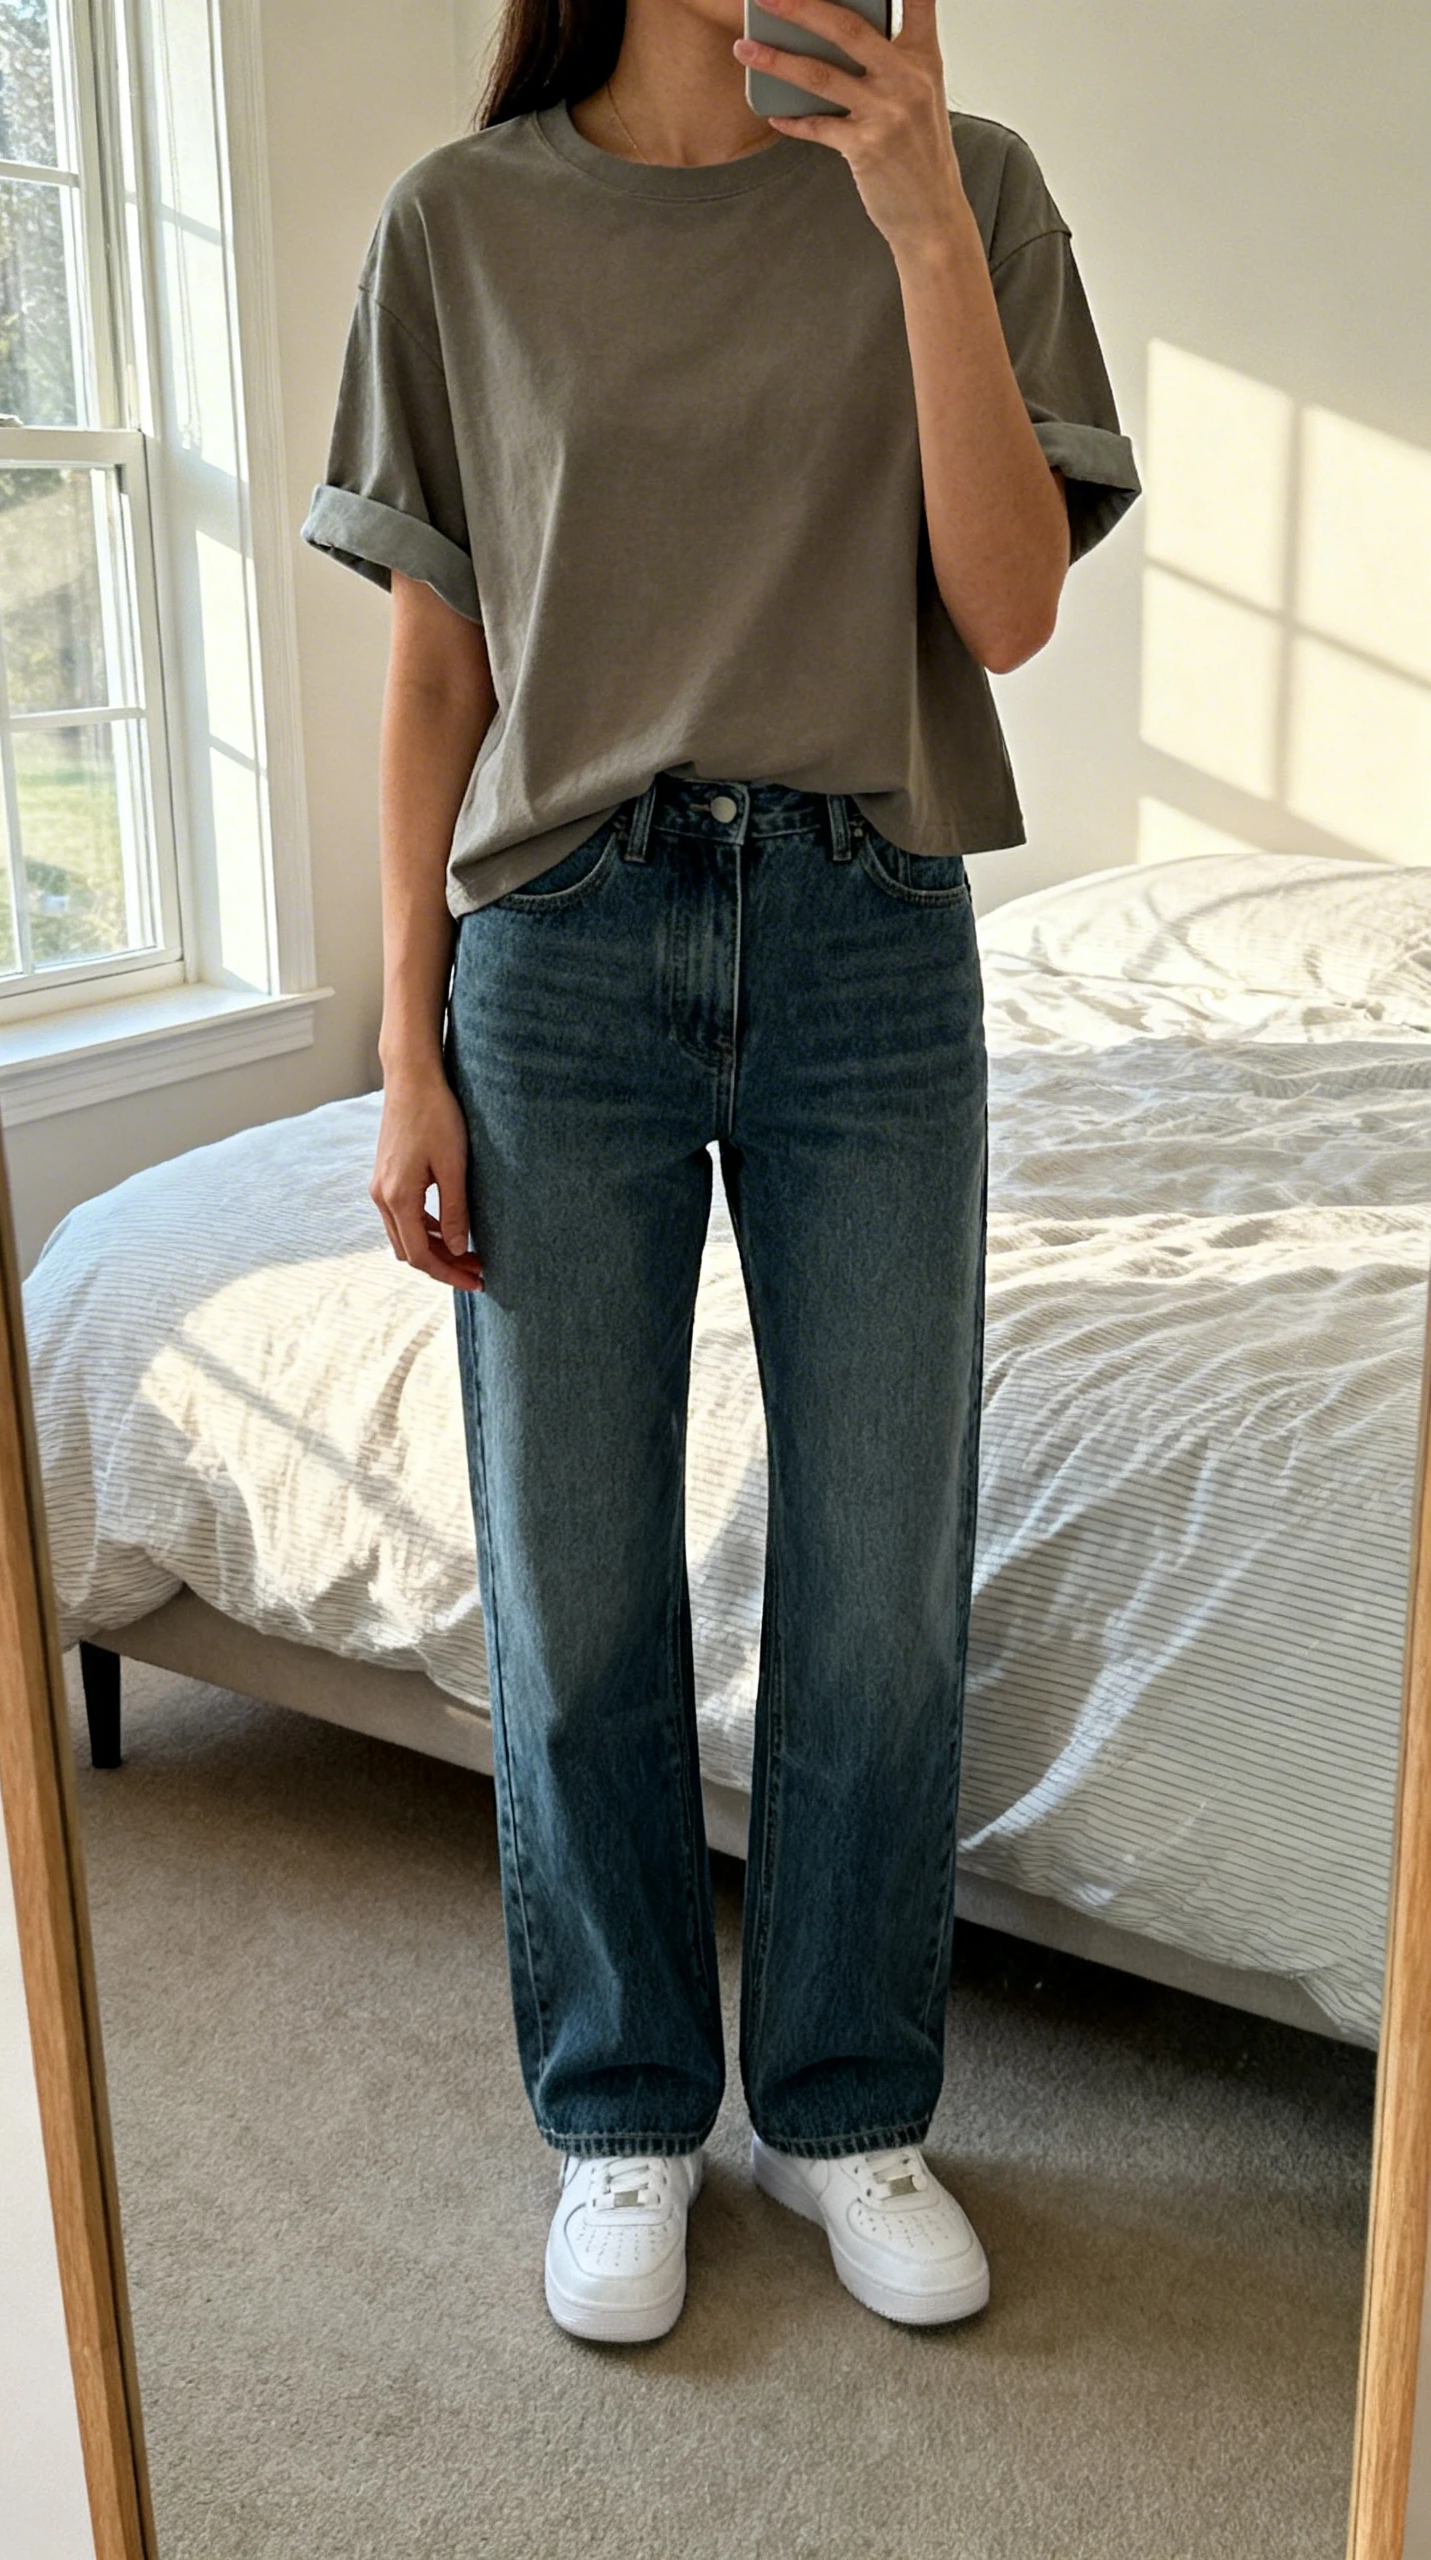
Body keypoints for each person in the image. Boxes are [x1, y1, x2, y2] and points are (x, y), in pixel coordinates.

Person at [301, 0, 1140, 2347]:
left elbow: (1005, 609)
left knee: (883, 1573)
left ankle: (855, 2098)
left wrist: (912, 226)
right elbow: (434, 677)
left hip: (870, 935)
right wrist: (405, 1044)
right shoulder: (460, 223)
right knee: (576, 1580)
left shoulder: (960, 176)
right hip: (552, 955)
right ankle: (623, 2117)